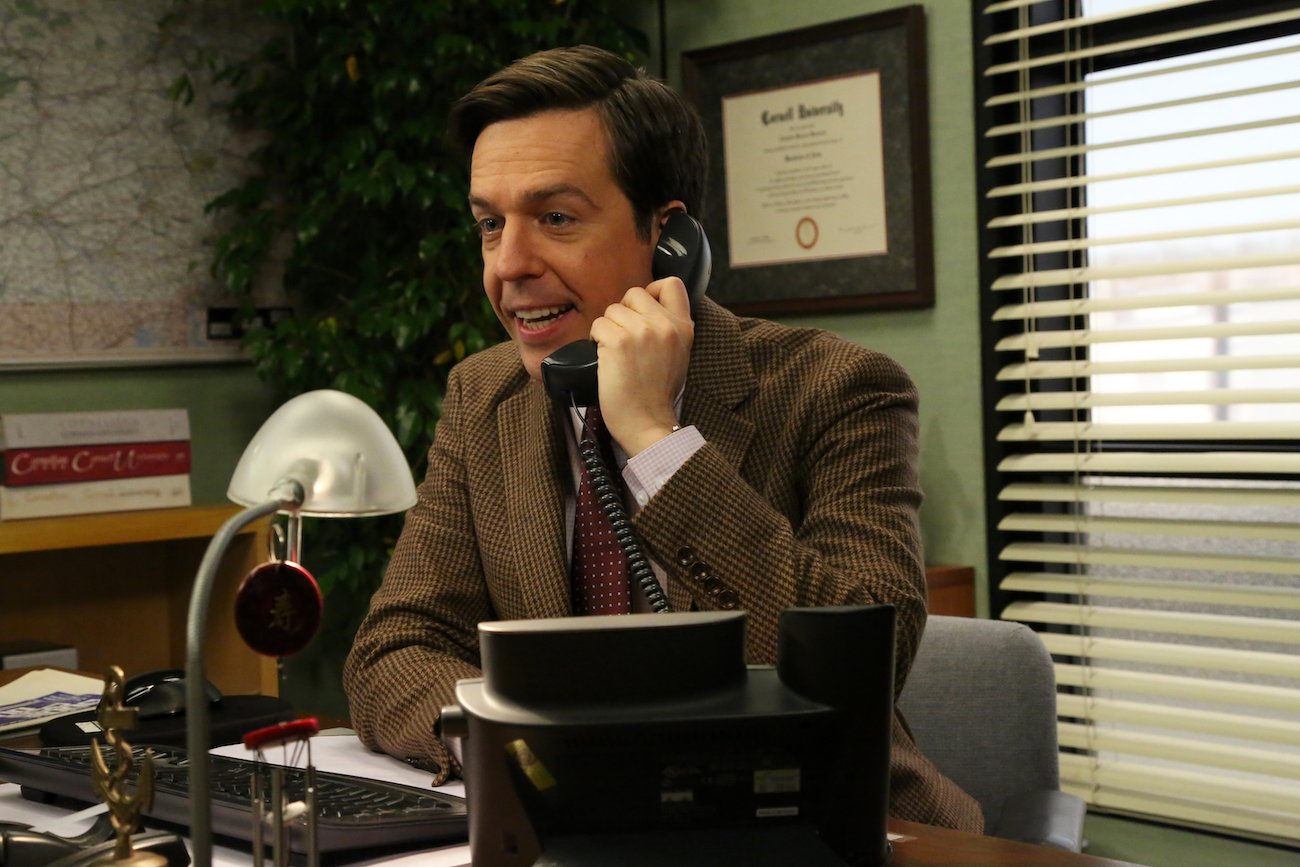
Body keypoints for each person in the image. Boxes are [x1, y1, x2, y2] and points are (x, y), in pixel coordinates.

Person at [343, 44, 982, 833]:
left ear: (667, 236)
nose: (508, 265)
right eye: (488, 225)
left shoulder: (840, 389)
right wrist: (537, 753)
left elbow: (857, 672)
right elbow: (394, 647)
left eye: (556, 218)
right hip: (569, 834)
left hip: (827, 832)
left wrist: (656, 441)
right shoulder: (486, 397)